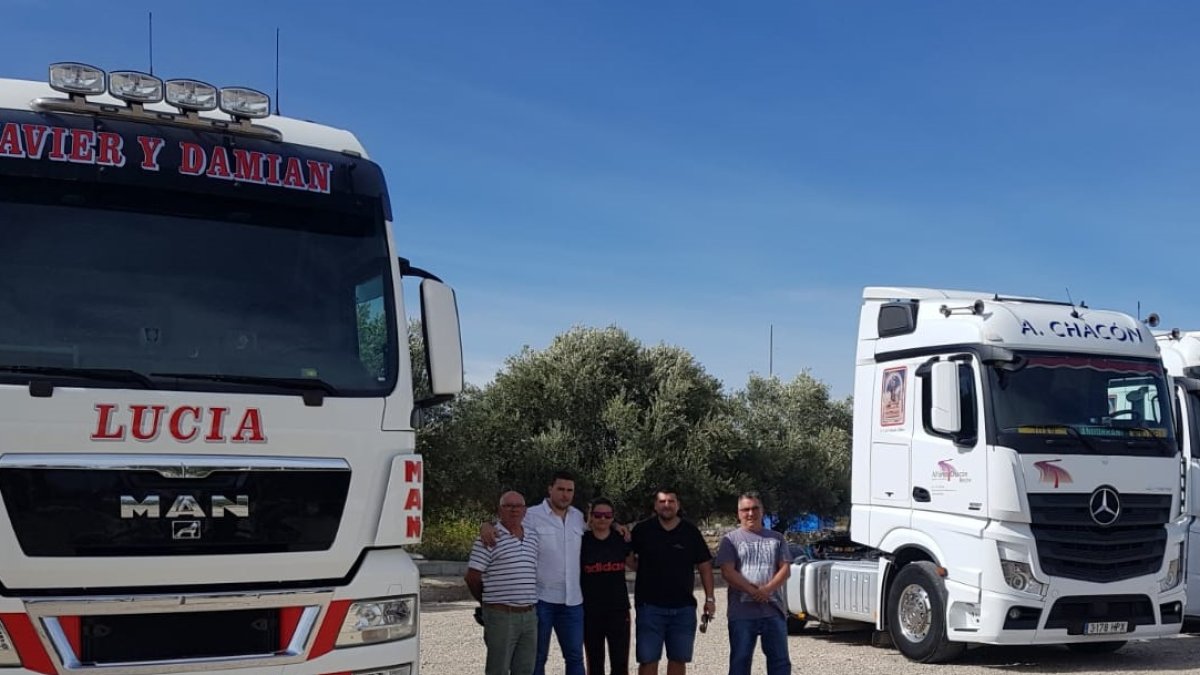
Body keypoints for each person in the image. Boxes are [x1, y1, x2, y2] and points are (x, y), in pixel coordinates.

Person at [483, 471, 586, 675]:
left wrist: (618, 525)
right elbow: (503, 526)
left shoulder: (578, 517)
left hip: (572, 601)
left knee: (575, 656)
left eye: (569, 490)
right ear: (550, 489)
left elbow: (600, 527)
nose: (565, 495)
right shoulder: (531, 515)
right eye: (560, 489)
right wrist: (485, 526)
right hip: (541, 600)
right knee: (536, 657)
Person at [629, 490, 715, 675]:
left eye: (670, 501)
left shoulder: (690, 532)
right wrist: (643, 569)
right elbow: (628, 557)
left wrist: (710, 599)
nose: (666, 505)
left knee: (678, 660)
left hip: (683, 609)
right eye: (662, 501)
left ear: (678, 504)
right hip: (649, 607)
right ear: (655, 505)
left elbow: (705, 565)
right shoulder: (642, 530)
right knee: (647, 660)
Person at [713, 491, 792, 675]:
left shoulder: (777, 538)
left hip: (773, 611)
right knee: (740, 662)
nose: (750, 513)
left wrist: (766, 590)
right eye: (745, 509)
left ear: (762, 511)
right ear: (738, 513)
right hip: (741, 614)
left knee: (780, 663)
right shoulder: (730, 540)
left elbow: (785, 569)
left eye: (755, 508)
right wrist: (752, 590)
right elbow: (727, 571)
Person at [465, 491, 540, 675]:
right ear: (500, 510)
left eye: (518, 506)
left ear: (525, 511)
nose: (514, 510)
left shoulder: (532, 537)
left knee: (525, 669)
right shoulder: (488, 539)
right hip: (501, 615)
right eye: (508, 506)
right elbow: (472, 577)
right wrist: (487, 602)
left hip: (529, 615)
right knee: (497, 669)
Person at [581, 497, 634, 675]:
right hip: (590, 611)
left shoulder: (621, 540)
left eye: (607, 515)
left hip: (618, 610)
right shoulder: (582, 541)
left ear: (612, 517)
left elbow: (634, 564)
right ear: (591, 516)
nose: (602, 519)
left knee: (620, 664)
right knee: (594, 664)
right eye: (598, 515)